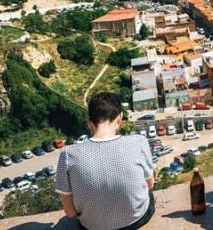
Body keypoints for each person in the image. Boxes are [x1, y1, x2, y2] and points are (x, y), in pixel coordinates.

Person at [55, 92, 155, 230]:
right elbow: (150, 185)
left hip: (91, 227)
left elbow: (70, 212)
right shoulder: (138, 142)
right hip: (135, 220)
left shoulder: (68, 154)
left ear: (89, 123)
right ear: (119, 119)